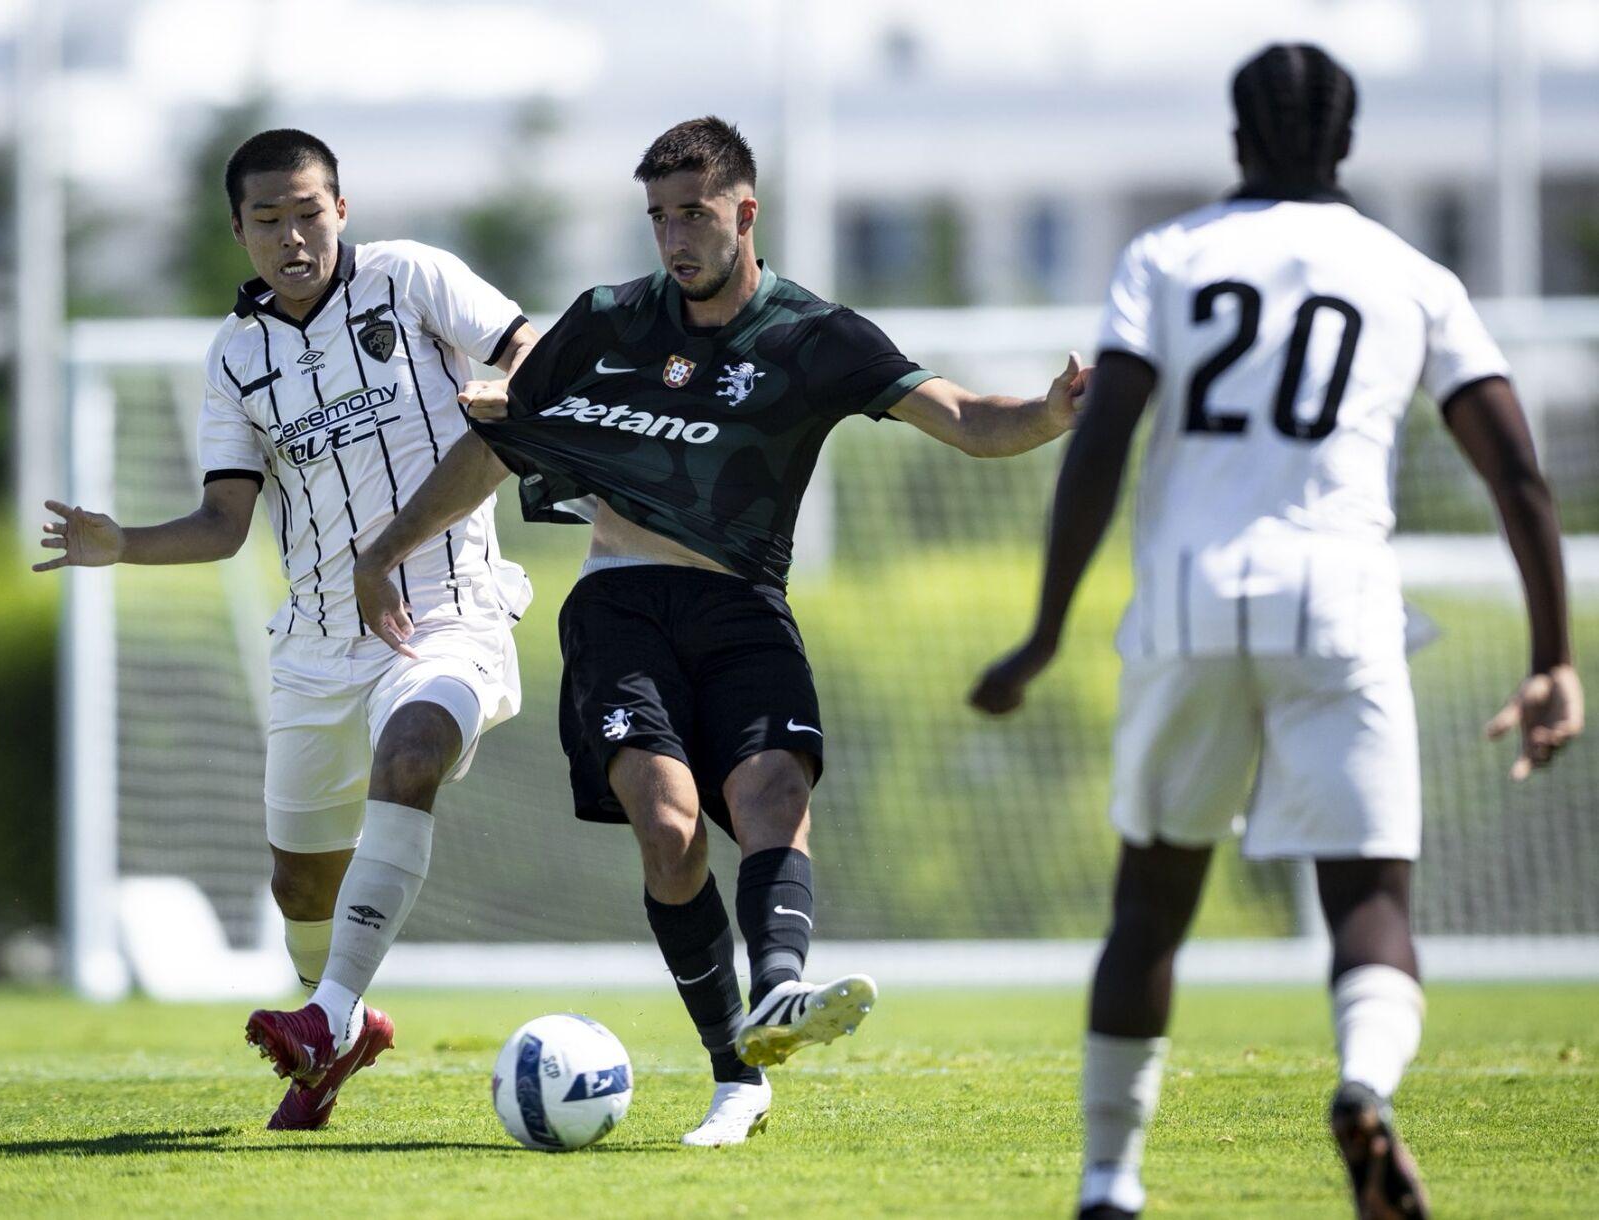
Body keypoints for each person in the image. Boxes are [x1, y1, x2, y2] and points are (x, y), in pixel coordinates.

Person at [350, 117, 1086, 1145]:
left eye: (693, 212)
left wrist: (1050, 413)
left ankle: (778, 993)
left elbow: (964, 416)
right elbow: (500, 445)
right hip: (620, 604)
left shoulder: (813, 337)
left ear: (745, 210)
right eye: (658, 217)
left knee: (773, 791)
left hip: (742, 605)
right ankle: (733, 1072)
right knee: (670, 825)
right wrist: (383, 546)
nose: (674, 236)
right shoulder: (605, 320)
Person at [971, 45, 1583, 1220]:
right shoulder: (1411, 275)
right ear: (1345, 144)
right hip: (1340, 604)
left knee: (1148, 905)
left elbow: (1099, 438)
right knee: (1371, 904)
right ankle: (1361, 1085)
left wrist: (1044, 630)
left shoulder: (1166, 257)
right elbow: (1517, 473)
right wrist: (1550, 655)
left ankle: (1107, 1180)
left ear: (1235, 137)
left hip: (1188, 604)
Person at [35, 128, 540, 1130]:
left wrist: (515, 388)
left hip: (447, 611)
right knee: (298, 880)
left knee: (411, 751)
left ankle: (325, 1014)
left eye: (309, 211)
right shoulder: (235, 356)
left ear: (340, 210)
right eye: (268, 219)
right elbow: (225, 525)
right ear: (239, 229)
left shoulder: (410, 279)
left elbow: (529, 345)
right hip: (313, 645)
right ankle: (338, 1023)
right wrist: (117, 541)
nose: (292, 235)